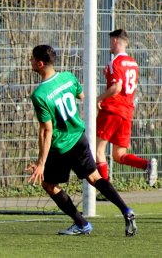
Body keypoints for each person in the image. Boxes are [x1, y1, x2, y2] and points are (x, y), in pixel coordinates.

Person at [27, 44, 137, 236]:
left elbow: (46, 131)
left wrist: (41, 163)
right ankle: (126, 210)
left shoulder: (40, 94)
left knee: (49, 185)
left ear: (40, 63)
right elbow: (81, 95)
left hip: (61, 147)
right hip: (80, 138)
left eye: (32, 59)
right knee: (95, 177)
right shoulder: (68, 77)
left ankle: (81, 223)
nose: (30, 62)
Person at [95, 29, 157, 186]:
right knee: (118, 154)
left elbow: (117, 87)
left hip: (112, 110)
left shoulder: (115, 62)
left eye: (110, 41)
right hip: (127, 112)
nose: (109, 45)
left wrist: (99, 98)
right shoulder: (134, 63)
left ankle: (105, 189)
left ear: (115, 41)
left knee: (97, 150)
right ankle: (147, 164)